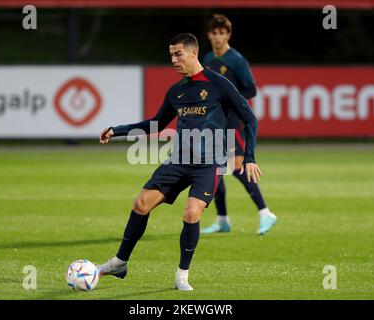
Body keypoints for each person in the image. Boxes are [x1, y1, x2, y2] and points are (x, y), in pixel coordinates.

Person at [97, 33, 261, 291]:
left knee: (191, 212)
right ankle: (120, 262)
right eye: (171, 55)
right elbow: (155, 123)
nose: (173, 60)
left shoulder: (218, 84)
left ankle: (182, 275)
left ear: (193, 53)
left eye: (178, 54)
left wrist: (249, 157)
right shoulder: (177, 91)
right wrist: (116, 130)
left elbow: (250, 118)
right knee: (141, 204)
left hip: (208, 165)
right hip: (178, 161)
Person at [201, 14, 277, 235]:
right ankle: (223, 220)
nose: (217, 37)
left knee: (237, 168)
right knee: (213, 168)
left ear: (228, 35)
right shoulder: (207, 58)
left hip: (232, 122)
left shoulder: (236, 60)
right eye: (214, 33)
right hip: (213, 122)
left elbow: (251, 89)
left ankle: (266, 213)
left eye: (221, 33)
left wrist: (229, 100)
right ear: (209, 35)